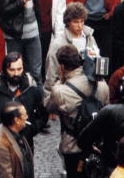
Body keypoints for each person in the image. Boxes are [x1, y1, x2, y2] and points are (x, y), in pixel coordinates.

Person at [45, 45, 109, 178]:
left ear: (61, 66)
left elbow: (49, 106)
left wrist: (59, 82)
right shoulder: (101, 84)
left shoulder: (60, 91)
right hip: (97, 143)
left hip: (73, 145)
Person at [0, 52, 47, 146]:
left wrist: (31, 129)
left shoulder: (32, 87)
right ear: (5, 70)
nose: (16, 74)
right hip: (0, 141)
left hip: (25, 141)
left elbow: (42, 114)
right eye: (12, 70)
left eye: (19, 69)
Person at [0, 0, 42, 82]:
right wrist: (23, 0)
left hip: (33, 31)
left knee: (36, 71)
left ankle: (37, 97)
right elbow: (4, 11)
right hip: (15, 34)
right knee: (15, 71)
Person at [0, 101, 34, 178]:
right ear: (17, 120)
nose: (27, 117)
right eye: (25, 115)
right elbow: (4, 175)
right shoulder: (0, 144)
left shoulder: (17, 131)